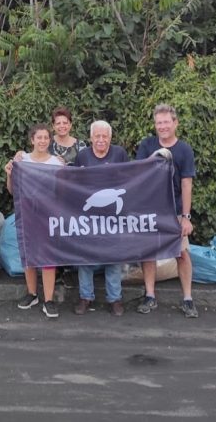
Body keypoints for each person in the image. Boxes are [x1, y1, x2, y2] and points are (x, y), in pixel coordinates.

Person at [135, 104, 198, 318]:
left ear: (175, 123)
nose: (162, 126)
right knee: (149, 253)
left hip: (175, 211)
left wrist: (186, 217)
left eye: (166, 122)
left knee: (182, 253)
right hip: (151, 210)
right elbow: (138, 174)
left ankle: (188, 299)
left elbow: (187, 184)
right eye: (158, 123)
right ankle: (149, 296)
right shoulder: (147, 145)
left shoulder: (184, 150)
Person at [4, 123, 65, 318]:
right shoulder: (22, 160)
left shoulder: (56, 163)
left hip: (49, 215)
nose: (42, 141)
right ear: (32, 140)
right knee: (28, 255)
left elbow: (64, 190)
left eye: (46, 138)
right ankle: (32, 294)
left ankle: (49, 300)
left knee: (48, 257)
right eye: (39, 137)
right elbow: (12, 191)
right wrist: (9, 175)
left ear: (50, 140)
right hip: (27, 214)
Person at [72, 120, 129, 316]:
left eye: (105, 136)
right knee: (85, 257)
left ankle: (115, 299)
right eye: (97, 136)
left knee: (113, 257)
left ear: (110, 138)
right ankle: (85, 297)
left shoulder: (119, 154)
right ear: (91, 138)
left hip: (112, 217)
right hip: (89, 216)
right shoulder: (82, 156)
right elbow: (73, 182)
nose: (101, 140)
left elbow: (131, 179)